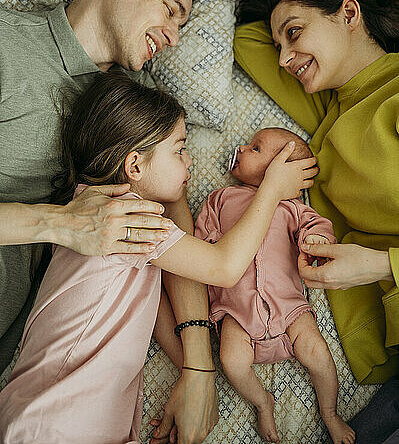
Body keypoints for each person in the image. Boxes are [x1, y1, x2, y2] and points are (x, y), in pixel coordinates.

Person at [0, 72, 318, 443]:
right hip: (54, 421)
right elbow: (225, 266)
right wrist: (272, 188)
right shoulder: (125, 217)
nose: (190, 162)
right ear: (134, 166)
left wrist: (193, 368)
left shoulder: (95, 213)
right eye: (179, 149)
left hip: (65, 416)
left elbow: (147, 312)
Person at [0, 0, 215, 444]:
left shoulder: (141, 103)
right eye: (169, 9)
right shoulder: (7, 45)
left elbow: (170, 220)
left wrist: (199, 368)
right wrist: (60, 223)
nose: (174, 36)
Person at [233, 0, 399, 442]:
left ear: (350, 12)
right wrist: (283, 20)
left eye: (294, 34)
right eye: (281, 44)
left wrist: (380, 265)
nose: (284, 58)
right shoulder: (331, 116)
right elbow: (247, 41)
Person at [193, 127, 354, 444]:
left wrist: (317, 240)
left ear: (280, 168)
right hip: (236, 312)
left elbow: (315, 225)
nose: (241, 147)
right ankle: (262, 401)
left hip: (289, 308)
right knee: (231, 361)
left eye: (255, 148)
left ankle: (330, 412)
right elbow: (203, 241)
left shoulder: (291, 206)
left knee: (318, 354)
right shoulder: (220, 199)